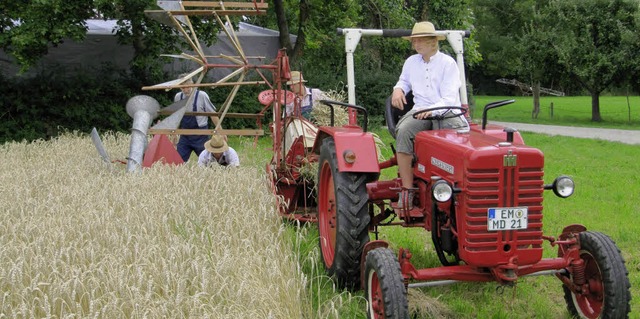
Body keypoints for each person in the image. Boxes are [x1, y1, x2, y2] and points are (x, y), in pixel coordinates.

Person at [390, 21, 468, 209]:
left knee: (458, 139)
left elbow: (449, 98)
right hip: (420, 110)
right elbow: (404, 81)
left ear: (433, 42)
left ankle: (459, 187)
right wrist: (398, 89)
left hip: (447, 111)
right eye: (414, 41)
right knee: (404, 131)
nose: (416, 44)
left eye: (420, 41)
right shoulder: (411, 62)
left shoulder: (447, 63)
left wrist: (432, 111)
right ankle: (407, 191)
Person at [174, 73, 221, 162]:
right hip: (185, 135)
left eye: (187, 86)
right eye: (182, 87)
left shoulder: (201, 95)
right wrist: (174, 133)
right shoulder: (178, 97)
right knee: (178, 161)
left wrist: (221, 131)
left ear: (192, 84)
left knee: (208, 162)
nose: (185, 90)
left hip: (200, 135)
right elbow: (177, 117)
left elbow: (212, 114)